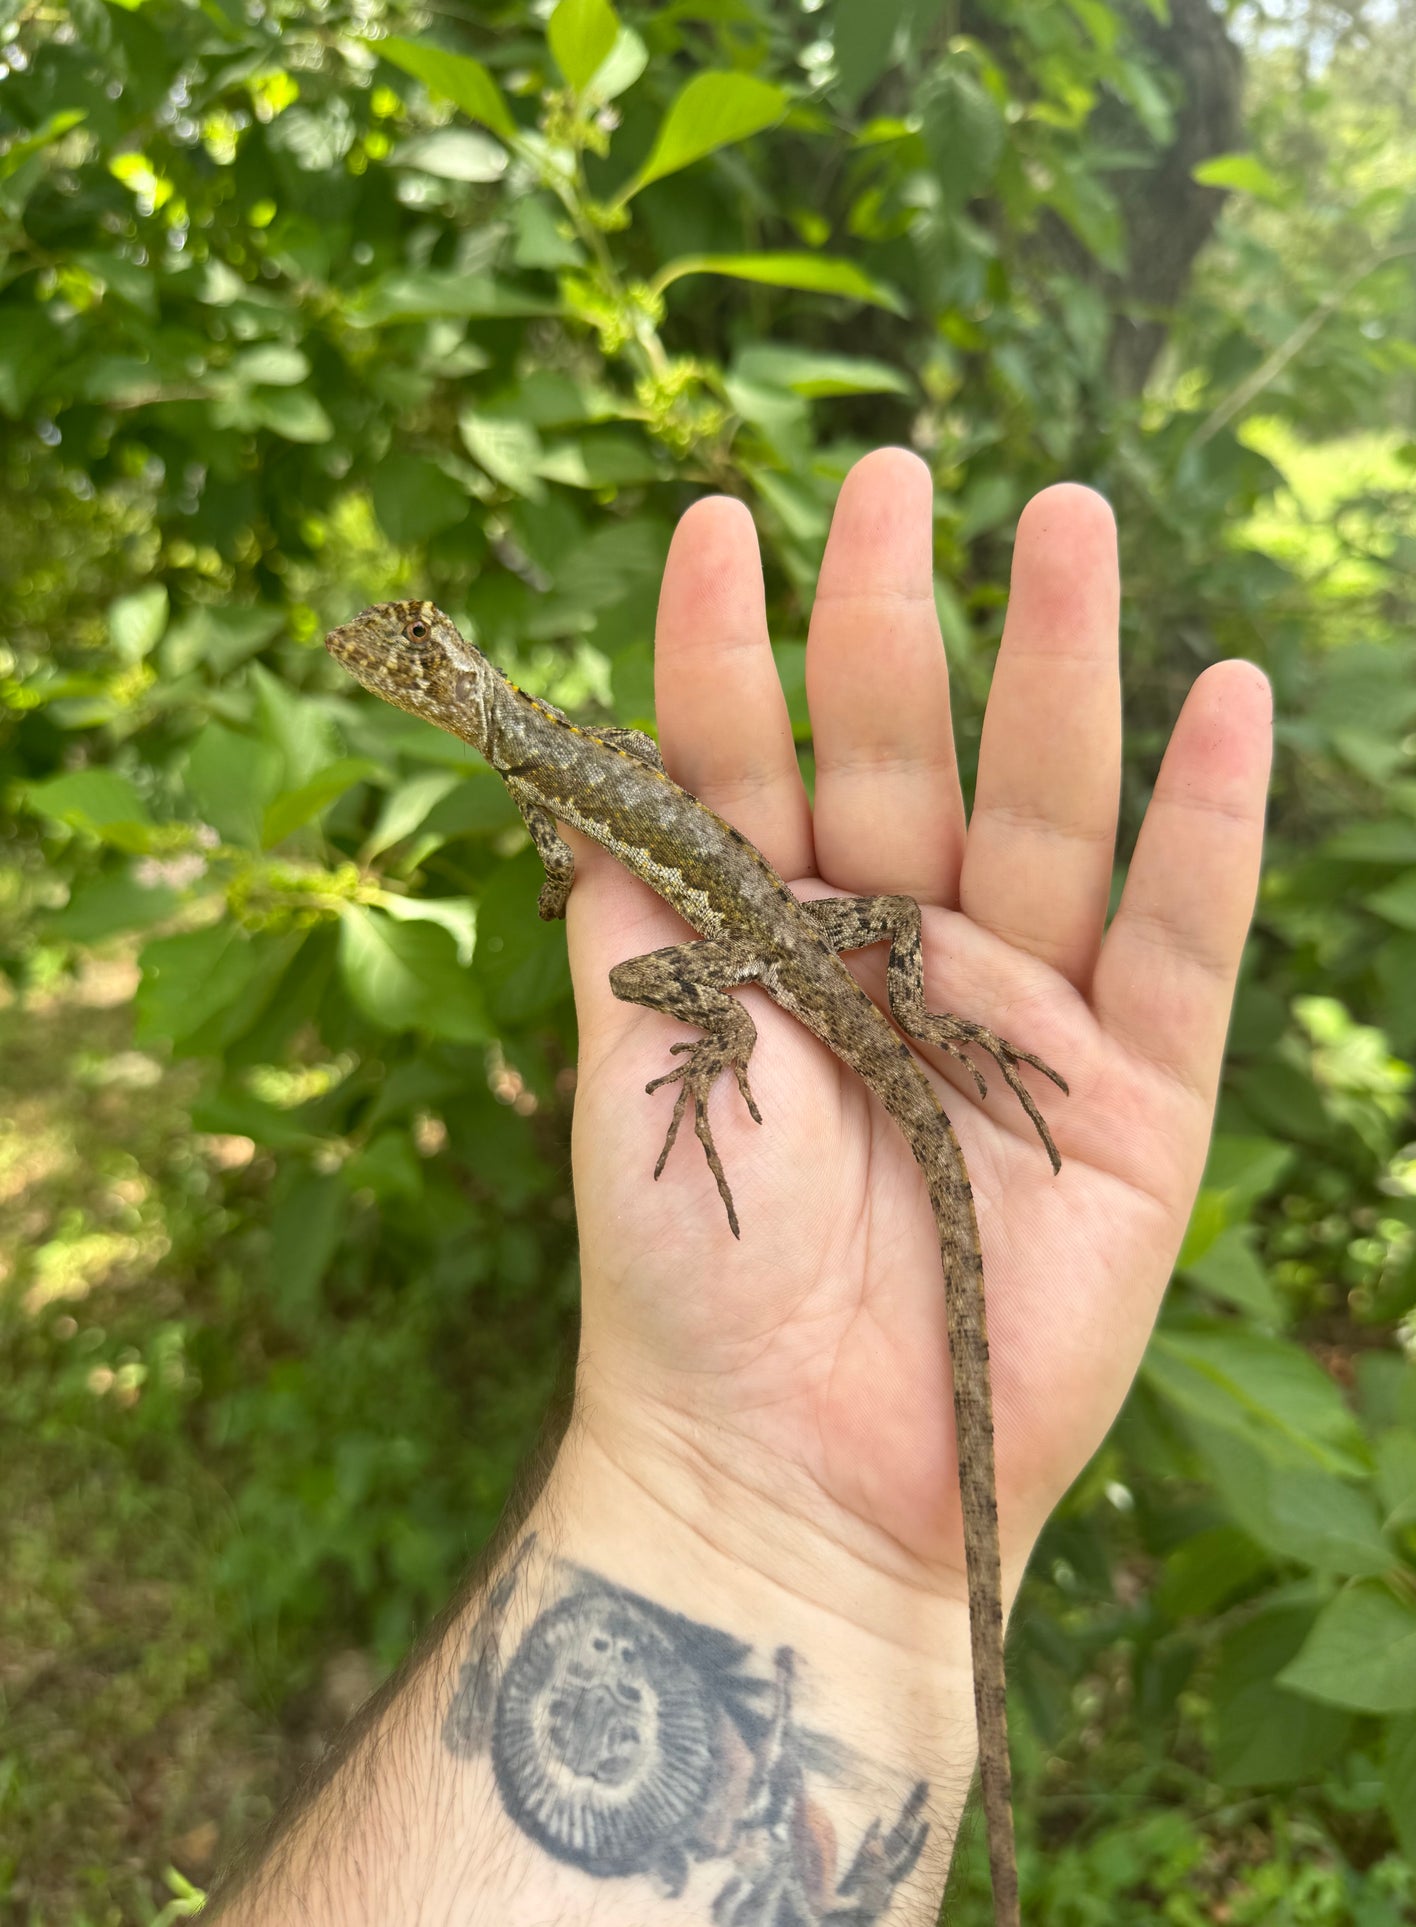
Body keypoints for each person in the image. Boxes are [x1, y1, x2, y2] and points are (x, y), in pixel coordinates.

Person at [206, 449, 1272, 1923]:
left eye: (401, 667)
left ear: (437, 690)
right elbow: (627, 763)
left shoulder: (523, 764)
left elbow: (551, 858)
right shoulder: (547, 731)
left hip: (751, 945)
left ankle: (740, 1041)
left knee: (654, 980)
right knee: (872, 940)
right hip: (798, 921)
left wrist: (704, 1012)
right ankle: (927, 1025)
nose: (400, 676)